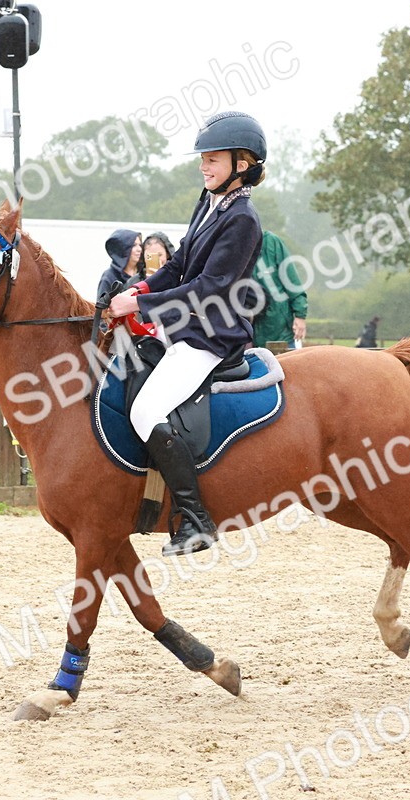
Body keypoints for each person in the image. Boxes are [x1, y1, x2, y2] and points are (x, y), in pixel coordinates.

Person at [109, 111, 266, 556]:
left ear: (242, 163)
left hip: (212, 335)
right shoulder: (209, 202)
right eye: (204, 159)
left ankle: (196, 520)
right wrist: (139, 288)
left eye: (213, 159)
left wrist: (139, 303)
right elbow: (178, 267)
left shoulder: (243, 219)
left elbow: (211, 287)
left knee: (146, 411)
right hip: (184, 328)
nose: (204, 166)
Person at [250, 230, 307, 349]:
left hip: (281, 331)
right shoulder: (233, 248)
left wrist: (300, 315)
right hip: (251, 335)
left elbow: (292, 280)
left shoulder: (271, 242)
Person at [96, 229, 143, 300]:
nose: (139, 249)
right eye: (134, 245)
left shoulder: (143, 272)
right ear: (123, 248)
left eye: (140, 245)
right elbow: (102, 308)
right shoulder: (109, 277)